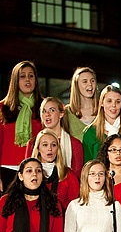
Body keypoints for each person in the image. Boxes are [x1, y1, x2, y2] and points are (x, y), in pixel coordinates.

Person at [1, 61, 43, 191]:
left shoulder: (44, 108)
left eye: (31, 76)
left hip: (35, 172)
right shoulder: (2, 108)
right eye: (22, 76)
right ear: (15, 80)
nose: (27, 80)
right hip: (6, 170)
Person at [83, 85, 121, 171]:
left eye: (118, 102)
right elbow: (87, 168)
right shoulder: (90, 133)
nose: (113, 105)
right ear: (102, 103)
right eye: (109, 101)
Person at [27, 97, 84, 174]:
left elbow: (77, 176)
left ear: (61, 114)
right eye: (44, 111)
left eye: (52, 110)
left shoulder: (75, 144)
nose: (47, 114)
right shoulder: (32, 143)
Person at [28, 128, 80, 212]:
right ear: (38, 148)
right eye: (45, 145)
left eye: (53, 145)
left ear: (58, 149)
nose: (50, 149)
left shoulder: (68, 175)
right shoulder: (28, 174)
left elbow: (75, 207)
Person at [64, 67, 98, 139]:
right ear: (76, 86)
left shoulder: (103, 110)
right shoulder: (66, 113)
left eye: (92, 81)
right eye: (85, 81)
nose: (90, 84)